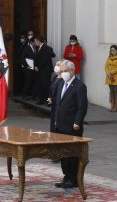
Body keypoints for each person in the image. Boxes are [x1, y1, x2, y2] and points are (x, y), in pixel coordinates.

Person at [50, 59, 88, 188]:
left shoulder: (79, 86)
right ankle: (66, 177)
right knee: (63, 154)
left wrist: (78, 121)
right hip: (60, 125)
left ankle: (74, 179)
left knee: (72, 154)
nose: (63, 74)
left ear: (72, 71)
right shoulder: (61, 83)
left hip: (72, 126)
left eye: (65, 71)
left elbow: (82, 106)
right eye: (61, 71)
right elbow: (59, 102)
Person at [34, 35, 56, 105]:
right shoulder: (38, 48)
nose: (35, 42)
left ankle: (48, 101)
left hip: (46, 70)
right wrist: (35, 66)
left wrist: (38, 67)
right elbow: (37, 58)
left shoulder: (47, 48)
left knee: (46, 85)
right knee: (40, 85)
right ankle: (41, 100)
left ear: (39, 41)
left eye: (36, 41)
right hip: (40, 70)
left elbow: (45, 60)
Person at [104, 45, 117, 112]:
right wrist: (108, 73)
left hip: (116, 77)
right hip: (109, 77)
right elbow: (106, 66)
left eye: (114, 50)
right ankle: (112, 106)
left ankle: (116, 107)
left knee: (116, 92)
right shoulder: (109, 57)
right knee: (111, 92)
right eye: (111, 50)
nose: (113, 51)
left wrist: (111, 72)